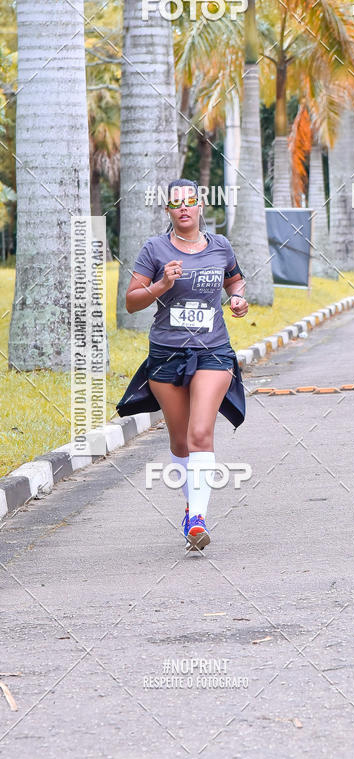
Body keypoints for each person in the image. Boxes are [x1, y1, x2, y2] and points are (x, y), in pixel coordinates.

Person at [122, 178, 248, 550]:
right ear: (168, 210)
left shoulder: (220, 246)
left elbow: (235, 282)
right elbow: (131, 302)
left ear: (200, 205)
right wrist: (161, 284)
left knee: (199, 434)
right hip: (167, 353)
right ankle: (192, 503)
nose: (184, 208)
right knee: (179, 441)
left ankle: (197, 520)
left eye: (190, 201)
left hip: (213, 352)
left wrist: (239, 300)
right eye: (176, 203)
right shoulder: (154, 248)